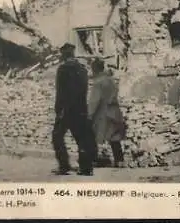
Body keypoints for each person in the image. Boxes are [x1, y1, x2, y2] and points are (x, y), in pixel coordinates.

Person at [53, 43, 96, 176]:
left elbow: (60, 92)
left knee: (57, 136)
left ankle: (64, 165)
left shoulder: (63, 69)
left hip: (66, 110)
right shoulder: (82, 69)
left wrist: (58, 109)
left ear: (63, 55)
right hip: (81, 109)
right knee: (82, 138)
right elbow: (84, 90)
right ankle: (86, 168)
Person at [88, 58, 126, 168]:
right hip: (114, 110)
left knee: (93, 135)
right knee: (114, 137)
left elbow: (94, 100)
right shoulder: (111, 80)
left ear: (95, 69)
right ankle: (119, 161)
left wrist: (89, 114)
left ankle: (94, 159)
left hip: (102, 114)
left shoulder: (98, 82)